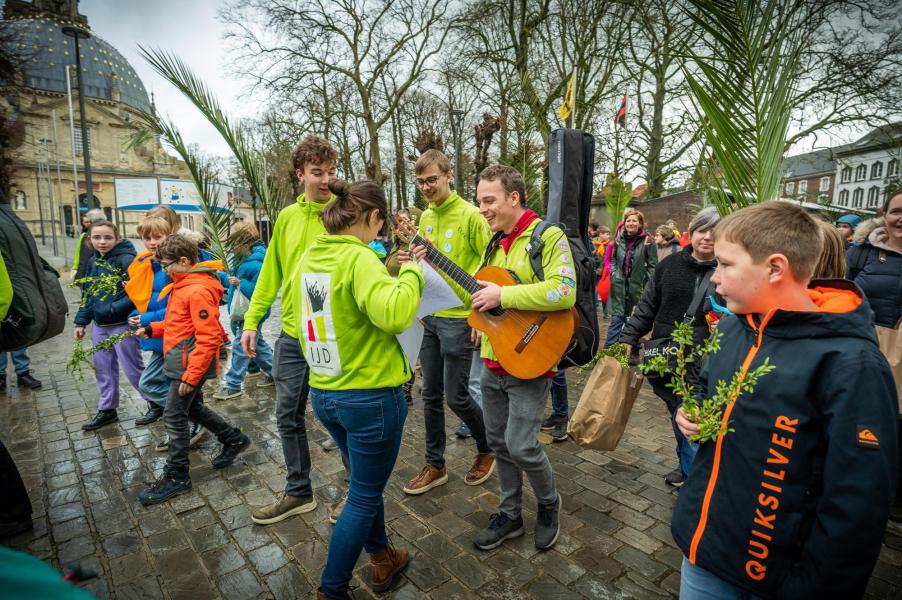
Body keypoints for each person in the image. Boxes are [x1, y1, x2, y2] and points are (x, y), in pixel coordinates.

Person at [672, 202, 897, 598]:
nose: (715, 278)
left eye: (725, 265)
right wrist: (692, 412)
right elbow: (706, 387)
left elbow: (857, 502)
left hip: (779, 578)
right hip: (704, 553)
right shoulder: (733, 326)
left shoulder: (851, 364)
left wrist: (813, 587)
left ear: (775, 268)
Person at [296, 180, 424, 600]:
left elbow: (302, 325)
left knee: (363, 486)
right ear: (371, 218)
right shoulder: (359, 258)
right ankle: (331, 591)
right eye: (379, 225)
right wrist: (411, 272)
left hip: (325, 393)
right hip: (370, 396)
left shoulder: (310, 257)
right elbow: (395, 313)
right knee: (363, 497)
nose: (379, 234)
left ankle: (383, 555)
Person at [470, 164, 575, 551]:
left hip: (532, 360)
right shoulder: (494, 242)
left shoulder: (547, 236)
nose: (482, 208)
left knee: (522, 445)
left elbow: (564, 290)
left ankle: (549, 503)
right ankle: (510, 514)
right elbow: (487, 291)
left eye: (489, 200)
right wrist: (480, 310)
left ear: (514, 197)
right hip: (493, 357)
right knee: (497, 442)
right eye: (479, 200)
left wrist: (503, 297)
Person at [241, 135, 343, 525]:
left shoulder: (343, 213)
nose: (325, 180)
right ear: (300, 174)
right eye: (317, 172)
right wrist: (252, 321)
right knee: (287, 414)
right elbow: (272, 274)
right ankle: (299, 490)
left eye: (331, 172)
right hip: (292, 335)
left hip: (333, 335)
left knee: (338, 413)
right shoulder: (285, 218)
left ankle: (356, 490)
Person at [402, 149, 495, 496]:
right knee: (429, 394)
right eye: (421, 181)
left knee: (457, 397)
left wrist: (479, 315)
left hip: (459, 318)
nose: (426, 187)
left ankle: (487, 447)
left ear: (448, 175)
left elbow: (490, 269)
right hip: (431, 316)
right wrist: (410, 260)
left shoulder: (472, 216)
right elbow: (427, 265)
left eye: (432, 180)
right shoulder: (424, 217)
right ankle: (435, 464)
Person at [136, 234, 251, 505]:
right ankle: (233, 439)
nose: (164, 270)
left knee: (175, 415)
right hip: (180, 357)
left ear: (185, 261)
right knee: (193, 409)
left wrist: (192, 375)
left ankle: (177, 475)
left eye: (166, 265)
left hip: (189, 363)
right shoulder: (183, 283)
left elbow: (209, 336)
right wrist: (154, 328)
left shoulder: (197, 288)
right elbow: (179, 322)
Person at [619, 207, 721, 488]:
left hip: (702, 361)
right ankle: (685, 464)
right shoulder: (670, 265)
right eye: (702, 230)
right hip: (665, 357)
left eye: (715, 232)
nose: (708, 237)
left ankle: (694, 482)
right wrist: (628, 338)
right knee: (676, 414)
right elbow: (647, 306)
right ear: (692, 230)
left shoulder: (726, 270)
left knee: (691, 416)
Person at [847, 187, 902, 521]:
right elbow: (843, 292)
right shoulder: (862, 253)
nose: (901, 220)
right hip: (870, 345)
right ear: (884, 214)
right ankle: (860, 489)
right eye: (897, 211)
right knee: (865, 421)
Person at [73, 221, 151, 431]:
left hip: (121, 324)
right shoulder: (92, 261)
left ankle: (155, 402)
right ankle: (107, 409)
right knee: (103, 368)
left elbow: (137, 293)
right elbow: (87, 294)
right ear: (90, 240)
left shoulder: (126, 259)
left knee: (132, 368)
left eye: (107, 237)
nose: (102, 242)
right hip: (100, 326)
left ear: (117, 238)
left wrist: (113, 308)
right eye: (97, 237)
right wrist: (81, 321)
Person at [213, 222, 275, 400]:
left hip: (253, 311)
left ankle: (232, 384)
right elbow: (233, 283)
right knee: (258, 344)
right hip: (242, 311)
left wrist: (241, 283)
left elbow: (261, 290)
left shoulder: (256, 263)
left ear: (244, 242)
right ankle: (275, 373)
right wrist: (221, 276)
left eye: (233, 243)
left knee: (242, 345)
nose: (231, 247)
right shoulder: (242, 259)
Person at [128, 216, 173, 426]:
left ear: (168, 236)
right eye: (147, 238)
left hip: (169, 334)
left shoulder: (171, 267)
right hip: (156, 332)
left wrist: (144, 319)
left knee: (149, 383)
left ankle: (192, 415)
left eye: (157, 237)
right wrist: (136, 315)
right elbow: (146, 298)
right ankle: (181, 418)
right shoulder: (145, 263)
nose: (152, 242)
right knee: (170, 382)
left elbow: (175, 307)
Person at [604, 209, 657, 347]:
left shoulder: (648, 241)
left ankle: (633, 352)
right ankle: (606, 354)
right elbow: (613, 259)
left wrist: (647, 284)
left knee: (634, 322)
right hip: (619, 288)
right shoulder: (618, 240)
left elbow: (652, 266)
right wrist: (614, 274)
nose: (631, 223)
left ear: (640, 224)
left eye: (634, 221)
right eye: (628, 220)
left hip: (637, 289)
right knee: (616, 321)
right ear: (624, 223)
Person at [72, 208, 104, 283]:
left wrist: (80, 278)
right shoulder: (86, 234)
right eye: (85, 222)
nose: (86, 223)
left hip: (93, 277)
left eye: (88, 221)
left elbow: (85, 258)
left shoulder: (89, 235)